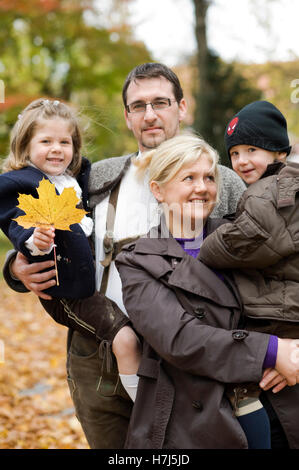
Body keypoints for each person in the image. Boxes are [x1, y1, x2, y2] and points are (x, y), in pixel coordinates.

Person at [2, 63, 246, 449]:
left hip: (188, 358)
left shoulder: (221, 180)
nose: (150, 115)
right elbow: (39, 214)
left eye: (161, 103)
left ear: (181, 108)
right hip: (97, 354)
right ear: (128, 117)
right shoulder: (96, 176)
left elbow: (261, 257)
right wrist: (15, 268)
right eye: (138, 106)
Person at [115, 132, 299, 449]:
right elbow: (182, 340)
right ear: (158, 190)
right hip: (192, 421)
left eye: (209, 177)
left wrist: (293, 353)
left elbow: (287, 294)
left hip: (274, 404)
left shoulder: (241, 236)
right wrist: (271, 351)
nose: (203, 188)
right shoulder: (137, 260)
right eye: (189, 177)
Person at [199, 100, 299, 448]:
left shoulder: (269, 193)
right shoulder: (277, 187)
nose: (241, 161)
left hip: (280, 320)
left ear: (278, 151)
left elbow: (246, 238)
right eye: (235, 153)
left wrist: (203, 243)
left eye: (252, 149)